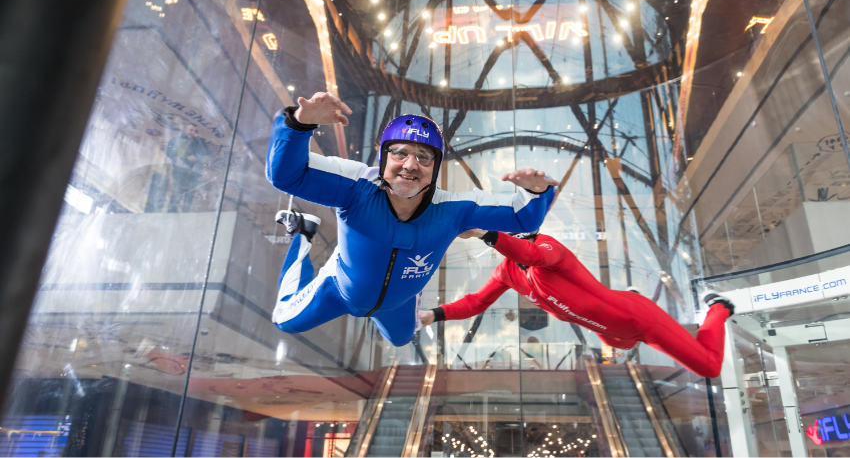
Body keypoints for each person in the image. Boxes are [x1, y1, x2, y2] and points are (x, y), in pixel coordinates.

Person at [266, 91, 558, 346]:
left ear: (435, 166)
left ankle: (411, 302)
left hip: (399, 304)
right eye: (399, 152)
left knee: (401, 339)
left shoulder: (454, 210)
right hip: (338, 288)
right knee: (283, 320)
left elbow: (523, 219)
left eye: (423, 156)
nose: (409, 164)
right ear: (383, 158)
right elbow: (287, 175)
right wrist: (299, 123)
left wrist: (536, 191)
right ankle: (302, 233)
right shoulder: (356, 187)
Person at [420, 229, 736, 378]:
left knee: (708, 367)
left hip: (639, 320)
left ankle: (717, 307)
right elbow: (476, 302)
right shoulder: (507, 272)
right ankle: (627, 294)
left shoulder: (547, 248)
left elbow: (533, 255)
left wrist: (486, 234)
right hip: (606, 331)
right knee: (622, 347)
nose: (518, 243)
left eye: (520, 237)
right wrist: (431, 316)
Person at [166, 123, 210, 212]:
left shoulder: (201, 143)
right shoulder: (176, 140)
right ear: (185, 130)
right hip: (179, 171)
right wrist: (184, 157)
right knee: (176, 194)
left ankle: (185, 214)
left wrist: (197, 158)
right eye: (191, 130)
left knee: (189, 196)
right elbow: (170, 153)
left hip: (194, 173)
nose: (193, 132)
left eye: (196, 131)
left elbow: (208, 157)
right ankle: (171, 214)